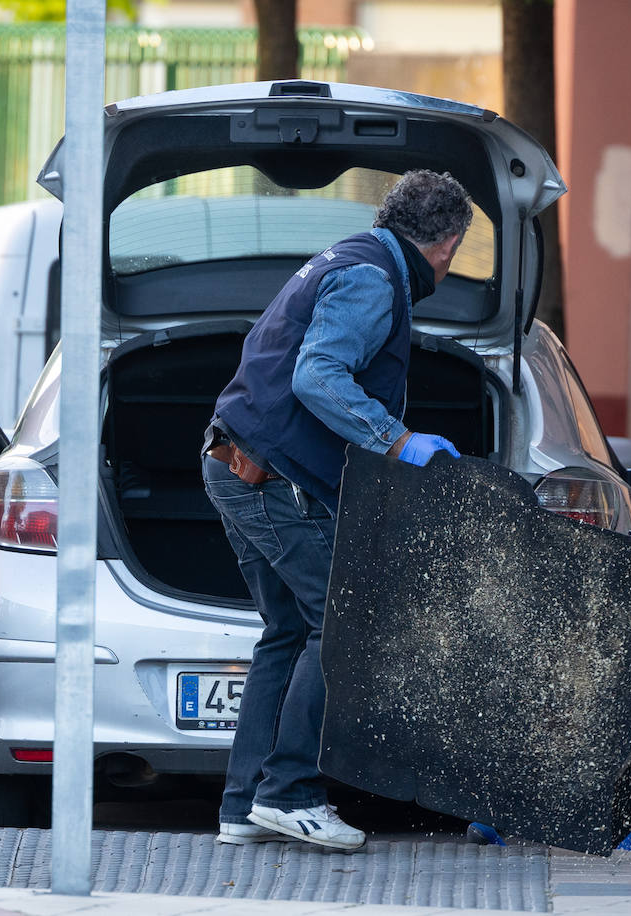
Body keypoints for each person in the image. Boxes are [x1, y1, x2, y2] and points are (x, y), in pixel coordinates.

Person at [202, 170, 474, 851]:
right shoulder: (373, 279)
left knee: (286, 632)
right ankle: (289, 792)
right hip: (270, 478)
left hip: (234, 463)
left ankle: (242, 806)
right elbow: (317, 374)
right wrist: (399, 440)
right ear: (447, 243)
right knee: (342, 623)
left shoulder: (353, 255)